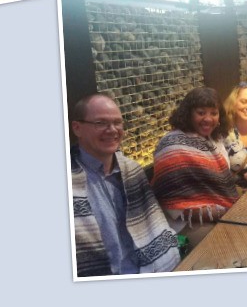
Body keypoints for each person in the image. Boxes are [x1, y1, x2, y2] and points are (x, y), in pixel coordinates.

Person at [70, 93, 179, 276]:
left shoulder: (132, 170)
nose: (112, 130)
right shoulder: (69, 185)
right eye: (101, 123)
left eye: (117, 122)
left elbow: (155, 226)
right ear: (77, 128)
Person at [152, 87, 238, 247]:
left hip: (219, 213)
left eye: (214, 113)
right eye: (201, 113)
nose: (208, 119)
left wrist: (225, 211)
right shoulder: (171, 144)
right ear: (188, 114)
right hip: (185, 223)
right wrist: (220, 212)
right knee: (227, 244)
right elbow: (172, 202)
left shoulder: (215, 140)